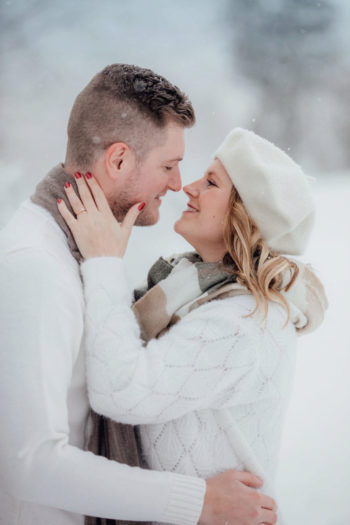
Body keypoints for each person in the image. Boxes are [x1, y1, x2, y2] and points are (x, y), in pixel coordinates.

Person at [0, 65, 277, 525]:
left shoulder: (81, 248)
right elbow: (30, 462)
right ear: (119, 161)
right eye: (168, 166)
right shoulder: (38, 268)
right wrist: (199, 501)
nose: (176, 184)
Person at [57, 127, 327, 525]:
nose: (189, 187)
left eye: (212, 182)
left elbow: (121, 390)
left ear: (245, 214)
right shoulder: (195, 294)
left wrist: (104, 261)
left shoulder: (241, 323)